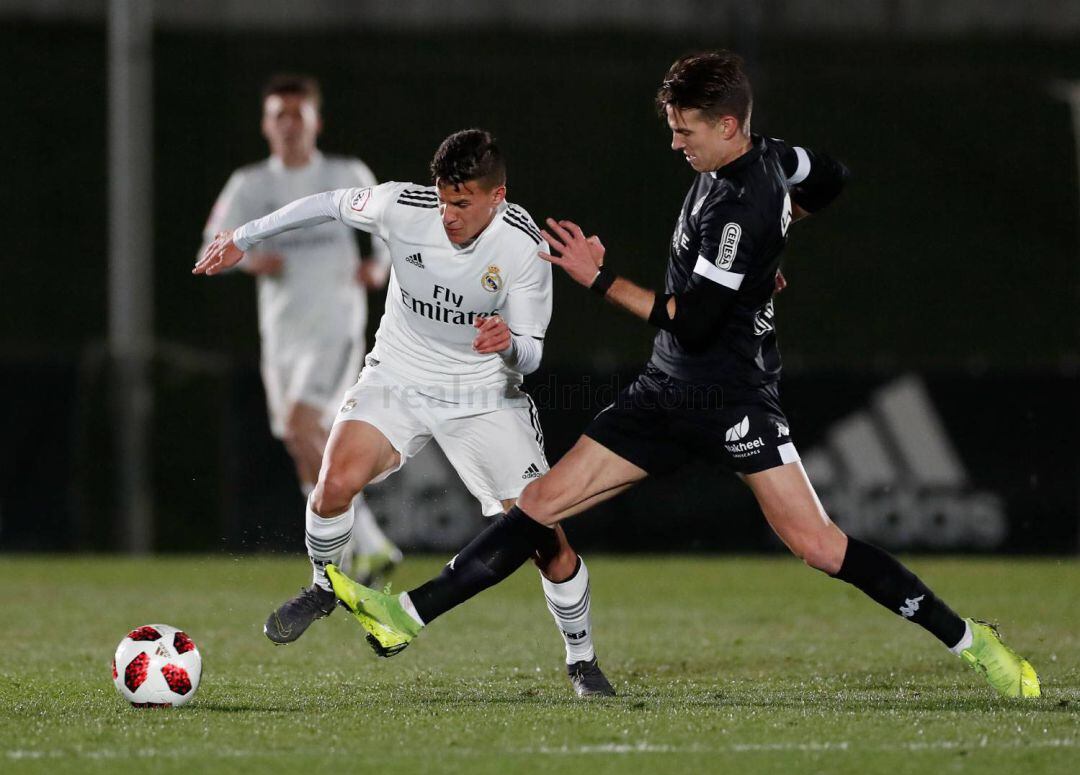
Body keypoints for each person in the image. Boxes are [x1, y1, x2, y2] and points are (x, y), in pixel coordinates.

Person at [324, 50, 1041, 700]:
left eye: (686, 130)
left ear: (728, 125)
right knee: (540, 501)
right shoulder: (772, 160)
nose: (675, 142)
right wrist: (774, 247)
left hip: (728, 395)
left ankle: (974, 643)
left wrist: (599, 276)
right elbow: (831, 177)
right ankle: (406, 615)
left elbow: (692, 321)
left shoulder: (737, 206)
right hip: (668, 391)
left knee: (819, 546)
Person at [195, 129, 616, 697]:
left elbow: (533, 352)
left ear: (498, 197)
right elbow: (326, 204)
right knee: (331, 487)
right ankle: (325, 586)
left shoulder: (524, 245)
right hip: (398, 374)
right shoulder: (403, 206)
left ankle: (581, 658)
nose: (448, 215)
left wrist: (507, 344)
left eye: (462, 203)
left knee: (544, 539)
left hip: (482, 394)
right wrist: (243, 237)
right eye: (443, 199)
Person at [200, 74, 401, 588]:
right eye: (278, 115)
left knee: (299, 422)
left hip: (334, 324)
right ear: (266, 125)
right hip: (282, 334)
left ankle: (366, 544)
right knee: (300, 442)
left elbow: (392, 229)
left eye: (298, 113)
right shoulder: (250, 184)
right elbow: (211, 246)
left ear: (316, 120)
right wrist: (247, 262)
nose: (289, 123)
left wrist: (378, 269)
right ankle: (365, 548)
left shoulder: (343, 171)